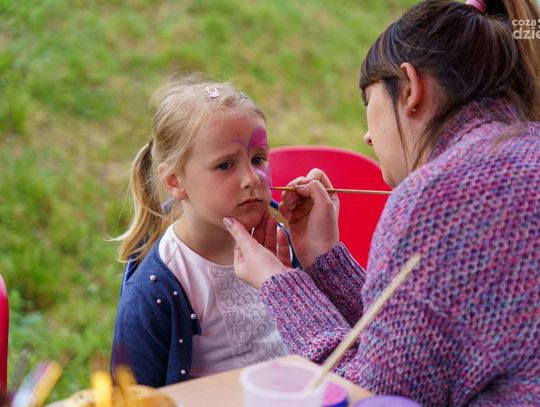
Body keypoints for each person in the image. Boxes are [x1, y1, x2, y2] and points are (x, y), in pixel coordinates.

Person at [223, 0, 540, 406]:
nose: (367, 137)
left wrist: (280, 285)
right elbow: (410, 346)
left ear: (409, 87)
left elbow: (376, 396)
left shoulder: (437, 195)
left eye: (369, 102)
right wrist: (325, 260)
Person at [111, 76, 288, 387]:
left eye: (258, 158)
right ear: (175, 181)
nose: (252, 179)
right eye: (225, 165)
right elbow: (131, 395)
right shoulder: (156, 290)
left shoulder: (281, 241)